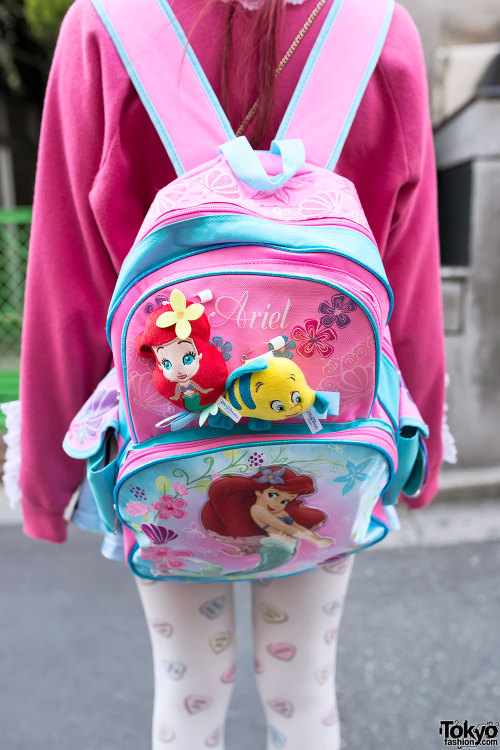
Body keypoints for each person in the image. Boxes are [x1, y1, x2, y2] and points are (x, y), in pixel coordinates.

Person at [18, 0, 445, 748]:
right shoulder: (383, 33)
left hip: (165, 444)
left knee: (186, 703)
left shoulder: (105, 27)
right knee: (304, 698)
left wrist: (47, 485)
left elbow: (69, 281)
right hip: (333, 439)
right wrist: (421, 457)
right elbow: (408, 280)